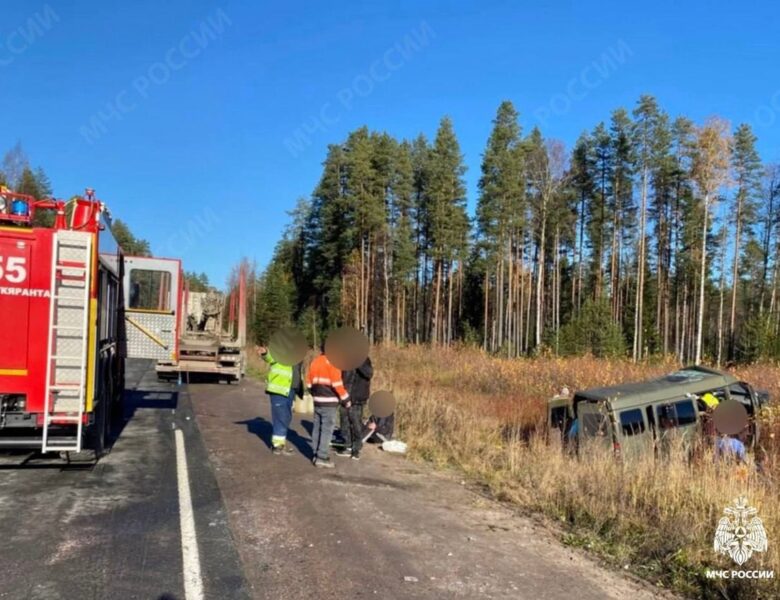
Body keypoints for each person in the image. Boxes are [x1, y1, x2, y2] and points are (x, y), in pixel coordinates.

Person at [306, 345, 350, 468]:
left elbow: (309, 383)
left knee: (317, 427)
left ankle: (316, 454)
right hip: (329, 402)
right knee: (327, 429)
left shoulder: (315, 361)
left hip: (317, 400)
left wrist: (315, 395)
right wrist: (346, 399)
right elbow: (337, 384)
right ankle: (322, 456)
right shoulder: (333, 363)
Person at [257, 345, 303, 456]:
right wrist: (265, 352)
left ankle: (280, 443)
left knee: (286, 417)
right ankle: (277, 446)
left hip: (290, 391)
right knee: (281, 417)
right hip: (279, 391)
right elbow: (269, 357)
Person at [337, 357, 373, 460]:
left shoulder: (365, 360)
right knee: (344, 420)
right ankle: (347, 444)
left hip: (357, 397)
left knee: (356, 422)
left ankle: (356, 448)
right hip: (345, 395)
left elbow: (369, 373)